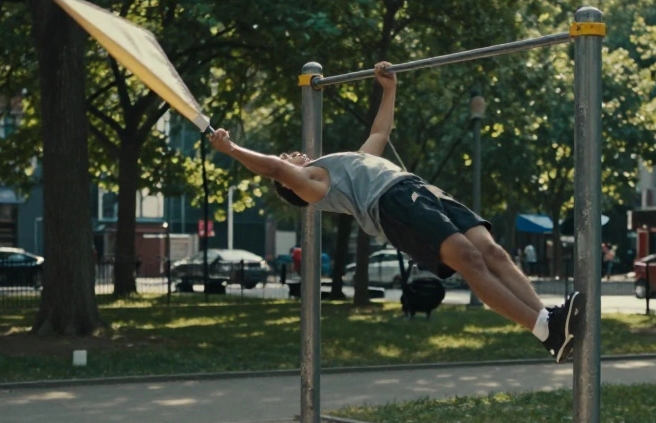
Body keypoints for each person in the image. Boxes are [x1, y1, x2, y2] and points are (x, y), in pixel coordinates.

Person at [208, 61, 581, 362]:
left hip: (419, 189)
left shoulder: (346, 165)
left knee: (493, 251)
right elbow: (274, 168)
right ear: (293, 185)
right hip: (394, 204)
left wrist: (390, 89)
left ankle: (549, 324)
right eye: (288, 160)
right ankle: (542, 327)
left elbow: (380, 134)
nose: (290, 156)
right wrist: (234, 149)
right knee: (469, 259)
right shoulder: (314, 184)